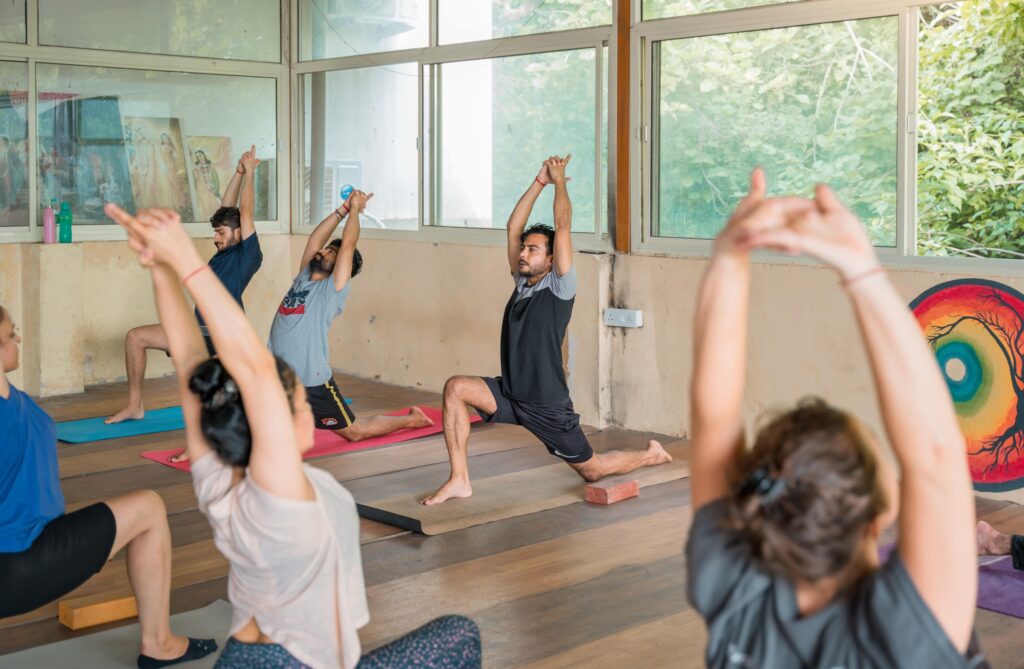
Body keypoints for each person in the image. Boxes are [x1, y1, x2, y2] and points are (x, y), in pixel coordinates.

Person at [105, 203, 481, 669]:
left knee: (352, 428)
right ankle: (403, 418)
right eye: (296, 403)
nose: (303, 403)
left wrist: (164, 267)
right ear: (278, 426)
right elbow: (242, 370)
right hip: (296, 663)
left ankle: (405, 418)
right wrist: (181, 260)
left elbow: (187, 362)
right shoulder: (286, 501)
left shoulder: (219, 485)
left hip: (242, 658)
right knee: (460, 634)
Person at [685, 168, 988, 667]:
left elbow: (712, 414)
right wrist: (860, 268)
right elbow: (933, 456)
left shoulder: (736, 597)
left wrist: (727, 255)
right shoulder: (904, 637)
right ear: (878, 512)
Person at [422, 155, 672, 506]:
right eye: (524, 248)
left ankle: (651, 455)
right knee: (456, 388)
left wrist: (559, 182)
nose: (523, 253)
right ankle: (459, 479)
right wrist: (538, 182)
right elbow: (512, 227)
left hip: (545, 404)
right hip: (510, 393)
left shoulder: (559, 287)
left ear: (552, 259)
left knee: (593, 469)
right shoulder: (521, 282)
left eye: (532, 249)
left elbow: (563, 226)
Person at [0, 304, 216, 669]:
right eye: (9, 335)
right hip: (23, 565)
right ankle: (159, 644)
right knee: (148, 508)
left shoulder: (10, 395)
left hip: (36, 547)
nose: (17, 339)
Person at [106, 146, 264, 425]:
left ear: (239, 233)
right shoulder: (222, 253)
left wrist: (251, 172)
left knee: (211, 401)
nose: (215, 238)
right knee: (135, 337)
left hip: (222, 337)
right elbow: (227, 208)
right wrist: (238, 173)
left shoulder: (247, 256)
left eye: (221, 232)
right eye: (215, 232)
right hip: (194, 331)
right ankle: (134, 405)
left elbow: (246, 212)